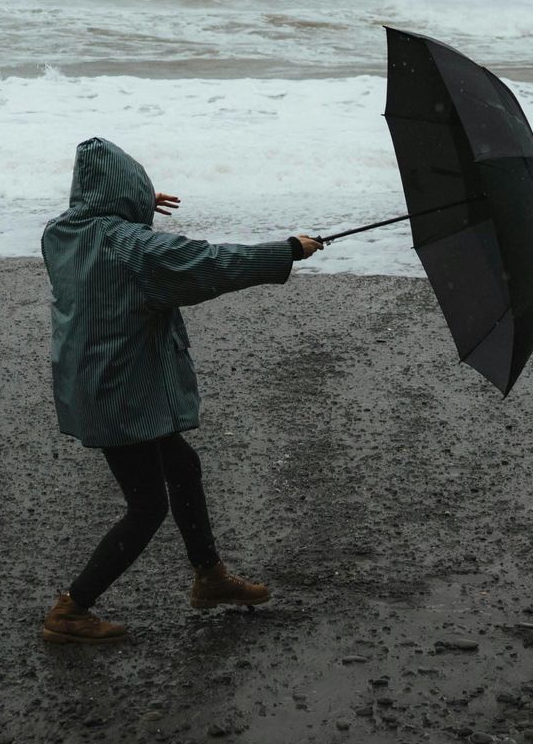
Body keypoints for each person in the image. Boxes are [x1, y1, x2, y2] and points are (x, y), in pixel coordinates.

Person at [38, 137, 324, 644]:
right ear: (123, 192)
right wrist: (286, 252)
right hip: (122, 392)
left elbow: (109, 231)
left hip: (93, 381)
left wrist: (135, 205)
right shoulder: (131, 246)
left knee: (182, 465)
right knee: (147, 506)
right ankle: (72, 608)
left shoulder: (61, 234)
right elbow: (208, 263)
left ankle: (210, 577)